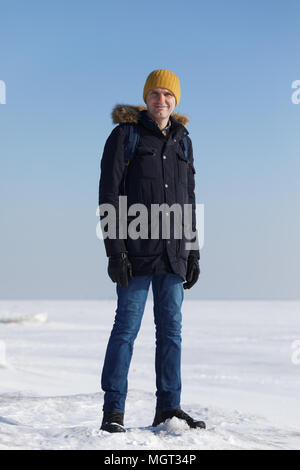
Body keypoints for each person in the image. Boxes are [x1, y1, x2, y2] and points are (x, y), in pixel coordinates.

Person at [98, 69, 205, 433]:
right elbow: (108, 195)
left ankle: (168, 409)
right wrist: (116, 252)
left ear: (176, 102)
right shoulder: (125, 136)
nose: (162, 101)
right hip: (136, 253)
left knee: (171, 333)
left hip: (173, 255)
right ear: (146, 99)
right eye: (155, 94)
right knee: (126, 330)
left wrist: (193, 252)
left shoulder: (183, 141)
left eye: (168, 96)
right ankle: (113, 411)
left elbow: (188, 200)